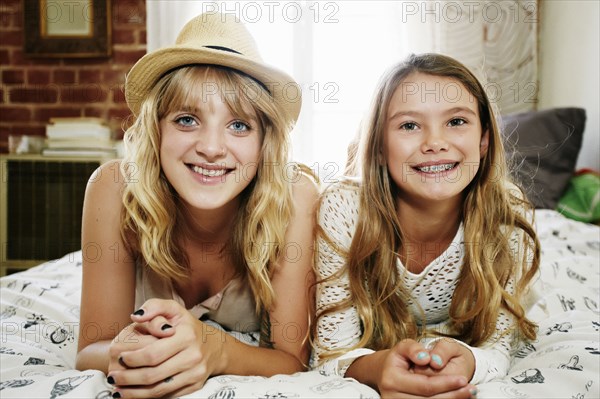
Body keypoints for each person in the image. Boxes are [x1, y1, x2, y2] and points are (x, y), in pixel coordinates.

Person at [75, 12, 318, 399]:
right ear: (156, 129)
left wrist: (215, 348)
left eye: (239, 125)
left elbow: (292, 360)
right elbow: (91, 350)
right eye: (187, 119)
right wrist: (138, 354)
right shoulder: (113, 188)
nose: (210, 147)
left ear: (264, 141)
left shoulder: (295, 196)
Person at [312, 53, 540, 398]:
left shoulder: (507, 216)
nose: (434, 142)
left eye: (456, 122)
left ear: (484, 140)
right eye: (409, 125)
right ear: (378, 148)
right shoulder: (343, 209)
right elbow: (331, 354)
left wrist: (468, 361)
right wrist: (381, 367)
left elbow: (498, 347)